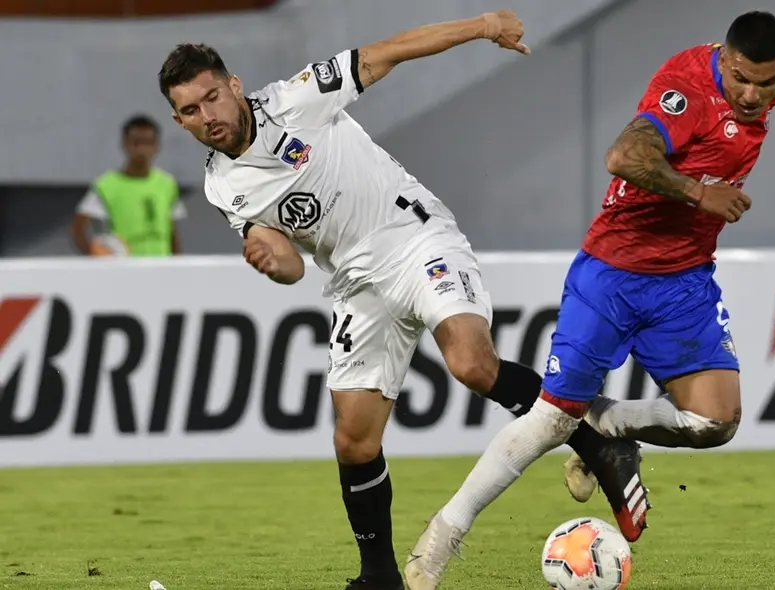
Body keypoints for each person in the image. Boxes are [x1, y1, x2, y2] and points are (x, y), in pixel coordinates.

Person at [157, 10, 644, 590]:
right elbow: (285, 262)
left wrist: (485, 24)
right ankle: (379, 577)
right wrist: (271, 259)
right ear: (178, 119)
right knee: (353, 439)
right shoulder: (222, 185)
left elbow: (389, 51)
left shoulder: (296, 99)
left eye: (212, 97)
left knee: (471, 364)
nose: (207, 116)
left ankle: (602, 445)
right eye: (190, 110)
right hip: (355, 283)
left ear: (233, 86)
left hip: (413, 236)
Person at [404, 10, 775, 589]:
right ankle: (440, 539)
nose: (753, 95)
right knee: (549, 422)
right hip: (612, 273)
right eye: (741, 79)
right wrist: (696, 192)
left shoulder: (758, 89)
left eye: (767, 82)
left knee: (716, 421)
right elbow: (623, 157)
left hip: (684, 281)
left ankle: (608, 429)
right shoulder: (687, 89)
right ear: (725, 60)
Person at [70, 115, 186, 256]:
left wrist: (176, 265)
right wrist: (96, 255)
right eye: (136, 142)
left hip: (161, 269)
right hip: (125, 271)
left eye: (148, 142)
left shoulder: (167, 184)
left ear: (157, 146)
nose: (142, 149)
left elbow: (172, 232)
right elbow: (78, 230)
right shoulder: (106, 185)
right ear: (125, 144)